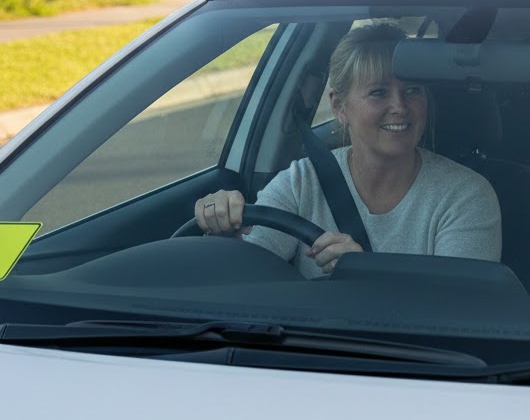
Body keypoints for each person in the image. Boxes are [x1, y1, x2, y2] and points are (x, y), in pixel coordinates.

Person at [197, 22, 502, 278]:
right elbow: (245, 275)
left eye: (413, 91)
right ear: (339, 106)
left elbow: (459, 313)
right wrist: (223, 228)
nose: (399, 107)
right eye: (379, 92)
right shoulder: (302, 183)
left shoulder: (465, 196)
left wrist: (368, 276)